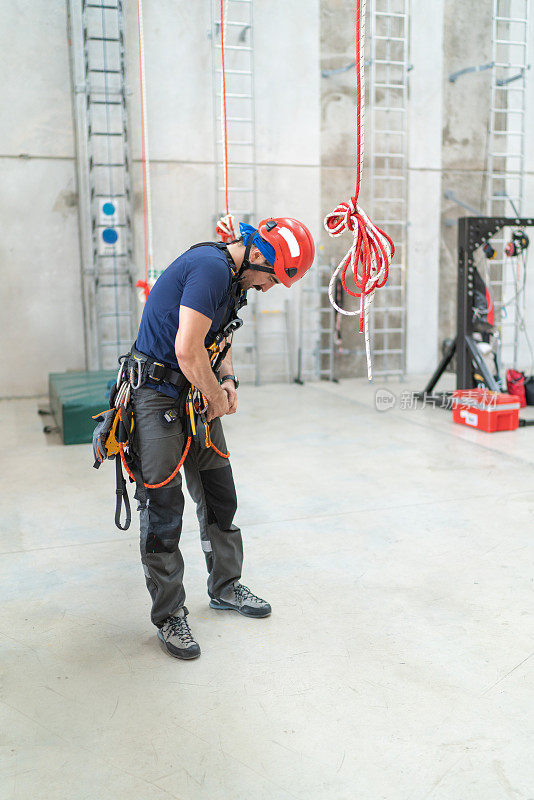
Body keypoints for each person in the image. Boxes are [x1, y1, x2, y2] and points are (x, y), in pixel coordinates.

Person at [129, 218, 315, 659]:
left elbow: (219, 336)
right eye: (272, 277)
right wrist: (214, 395)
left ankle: (226, 585)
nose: (270, 288)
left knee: (218, 493)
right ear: (257, 255)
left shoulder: (235, 280)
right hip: (158, 396)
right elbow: (187, 348)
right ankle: (170, 614)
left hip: (196, 389)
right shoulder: (211, 268)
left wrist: (227, 380)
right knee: (163, 509)